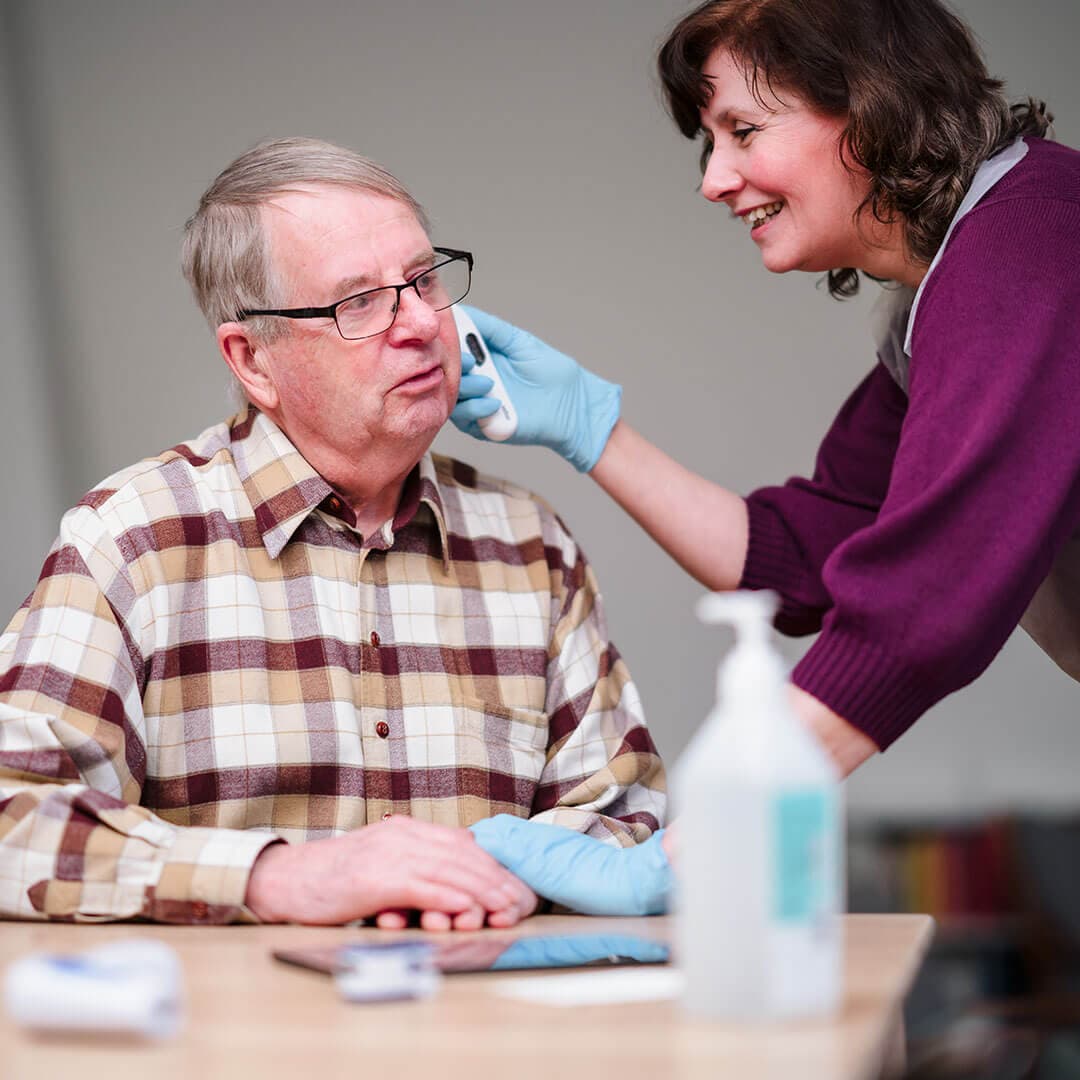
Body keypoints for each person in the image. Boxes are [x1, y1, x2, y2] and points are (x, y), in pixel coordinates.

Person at [459, 0, 1080, 909]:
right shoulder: (941, 298)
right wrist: (593, 431)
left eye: (744, 130)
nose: (715, 180)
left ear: (872, 106)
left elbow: (929, 599)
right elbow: (812, 556)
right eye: (711, 143)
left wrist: (696, 849)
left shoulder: (1031, 244)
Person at [0, 137, 666, 929]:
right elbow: (17, 822)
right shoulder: (131, 541)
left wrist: (497, 885)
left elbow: (624, 816)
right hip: (240, 1049)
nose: (420, 322)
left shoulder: (529, 544)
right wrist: (282, 878)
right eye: (360, 302)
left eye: (423, 280)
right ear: (253, 361)